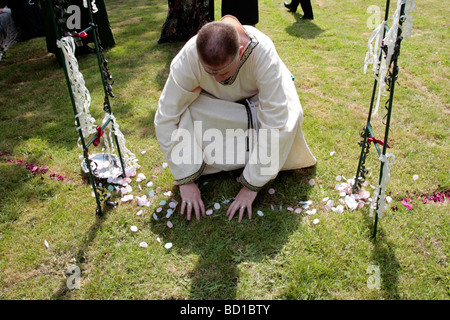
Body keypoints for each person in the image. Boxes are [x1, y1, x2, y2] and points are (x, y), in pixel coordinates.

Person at [154, 16, 316, 222]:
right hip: (216, 104)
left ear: (240, 52)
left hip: (259, 101)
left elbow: (276, 120)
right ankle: (202, 165)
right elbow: (166, 117)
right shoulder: (188, 57)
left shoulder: (263, 53)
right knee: (185, 113)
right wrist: (185, 181)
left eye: (223, 72)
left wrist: (251, 186)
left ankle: (254, 164)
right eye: (209, 72)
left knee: (291, 115)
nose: (217, 79)